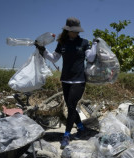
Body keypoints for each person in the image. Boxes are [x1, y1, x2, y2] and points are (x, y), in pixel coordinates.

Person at [35, 17, 93, 149]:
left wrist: (95, 45)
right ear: (67, 30)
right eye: (73, 31)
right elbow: (54, 58)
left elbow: (90, 57)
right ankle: (81, 128)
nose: (75, 33)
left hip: (79, 79)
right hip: (65, 79)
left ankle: (66, 135)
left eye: (77, 31)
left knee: (72, 105)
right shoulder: (62, 43)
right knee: (70, 106)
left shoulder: (84, 42)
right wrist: (42, 50)